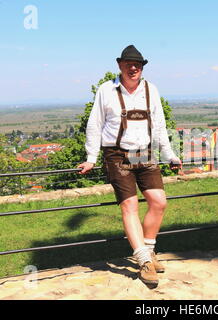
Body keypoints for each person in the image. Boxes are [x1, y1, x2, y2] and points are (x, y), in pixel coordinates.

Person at [77, 45, 181, 286]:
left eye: (138, 65)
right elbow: (95, 124)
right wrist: (91, 157)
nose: (133, 68)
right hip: (116, 154)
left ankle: (149, 249)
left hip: (144, 153)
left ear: (142, 67)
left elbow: (159, 126)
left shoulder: (150, 89)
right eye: (128, 64)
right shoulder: (106, 90)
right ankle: (144, 260)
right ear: (120, 66)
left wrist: (169, 155)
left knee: (159, 201)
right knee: (130, 205)